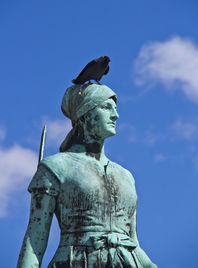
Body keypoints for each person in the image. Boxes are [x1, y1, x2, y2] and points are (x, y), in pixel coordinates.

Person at [17, 84, 157, 268]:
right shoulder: (55, 167)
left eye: (115, 108)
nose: (115, 115)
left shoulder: (126, 176)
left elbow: (133, 244)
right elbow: (35, 241)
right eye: (106, 107)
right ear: (84, 115)